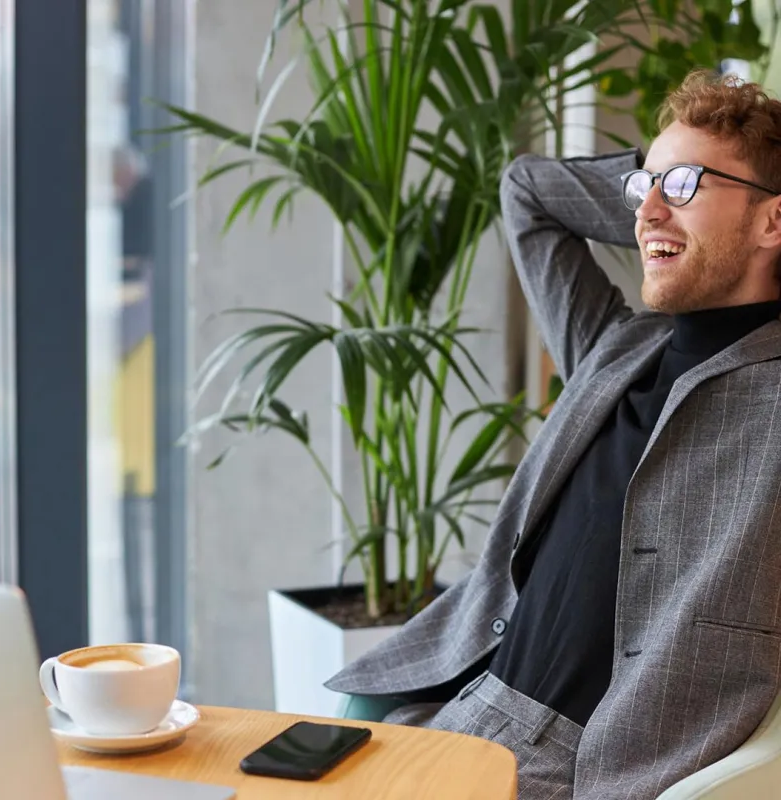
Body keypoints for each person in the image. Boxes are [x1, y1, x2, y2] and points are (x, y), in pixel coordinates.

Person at [324, 70, 781, 799]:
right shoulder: (612, 348)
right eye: (642, 189)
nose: (647, 212)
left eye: (685, 184)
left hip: (591, 765)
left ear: (772, 223)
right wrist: (666, 187)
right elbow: (528, 193)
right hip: (456, 707)